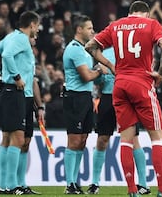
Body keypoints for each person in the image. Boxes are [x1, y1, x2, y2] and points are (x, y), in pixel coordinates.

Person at [86, 0, 162, 197]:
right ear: (145, 14)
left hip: (119, 86)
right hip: (141, 82)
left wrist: (111, 66)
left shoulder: (116, 25)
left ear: (130, 13)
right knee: (158, 137)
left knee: (126, 140)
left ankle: (132, 190)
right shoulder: (151, 24)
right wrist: (161, 73)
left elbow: (90, 46)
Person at [0, 11, 41, 195]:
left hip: (20, 95)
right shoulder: (20, 39)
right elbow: (7, 55)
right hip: (14, 92)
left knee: (17, 139)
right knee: (15, 139)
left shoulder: (12, 36)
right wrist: (16, 77)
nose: (38, 29)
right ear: (32, 25)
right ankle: (10, 185)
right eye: (37, 26)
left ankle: (11, 185)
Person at [88, 47, 150, 195]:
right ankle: (95, 182)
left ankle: (143, 183)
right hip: (108, 97)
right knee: (102, 139)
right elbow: (98, 80)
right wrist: (98, 71)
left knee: (133, 140)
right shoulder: (104, 53)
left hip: (128, 98)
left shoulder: (132, 50)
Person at [62, 14, 106, 195]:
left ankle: (75, 182)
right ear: (79, 29)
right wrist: (98, 70)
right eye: (89, 28)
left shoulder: (84, 49)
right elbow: (86, 76)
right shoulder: (74, 49)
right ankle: (69, 183)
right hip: (74, 97)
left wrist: (96, 72)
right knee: (74, 140)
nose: (92, 31)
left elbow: (90, 77)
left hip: (86, 97)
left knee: (82, 140)